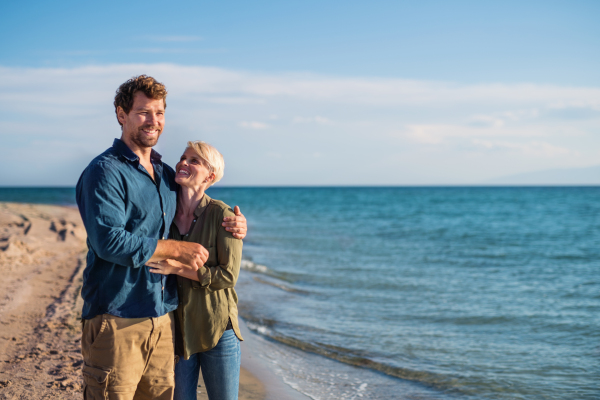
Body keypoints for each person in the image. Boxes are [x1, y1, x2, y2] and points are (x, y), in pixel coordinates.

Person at [75, 75, 247, 400]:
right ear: (121, 115)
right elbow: (108, 241)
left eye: (160, 113)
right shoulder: (105, 171)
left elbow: (198, 207)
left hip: (164, 320)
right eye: (143, 112)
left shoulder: (166, 175)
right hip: (116, 319)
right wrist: (175, 250)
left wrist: (238, 225)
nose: (154, 121)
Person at [147, 141, 243, 400]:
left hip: (217, 329)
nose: (183, 163)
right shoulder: (163, 215)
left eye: (194, 161)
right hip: (178, 331)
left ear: (210, 176)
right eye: (183, 157)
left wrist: (178, 268)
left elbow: (228, 276)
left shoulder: (223, 215)